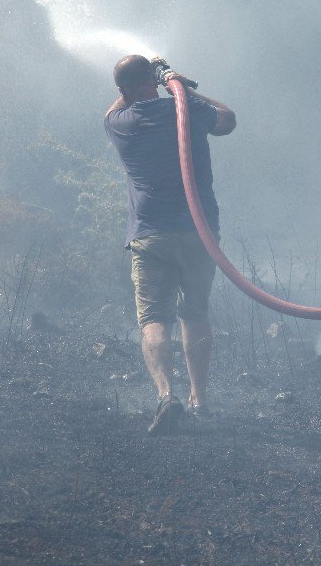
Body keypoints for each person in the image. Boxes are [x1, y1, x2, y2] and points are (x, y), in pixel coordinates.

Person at [105, 55, 236, 435]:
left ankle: (166, 396)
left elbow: (117, 101)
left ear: (123, 91)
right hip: (199, 233)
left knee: (153, 321)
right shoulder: (188, 109)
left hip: (149, 236)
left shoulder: (120, 124)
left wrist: (142, 85)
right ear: (154, 81)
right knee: (194, 314)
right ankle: (200, 400)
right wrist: (177, 82)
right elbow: (227, 119)